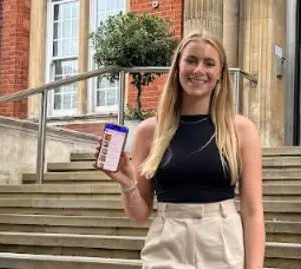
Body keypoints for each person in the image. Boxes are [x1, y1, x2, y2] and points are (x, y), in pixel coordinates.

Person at [93, 31, 265, 269]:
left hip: (222, 241)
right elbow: (140, 215)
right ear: (177, 67)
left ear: (220, 74)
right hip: (167, 241)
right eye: (191, 60)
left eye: (209, 63)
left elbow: (253, 212)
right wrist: (126, 183)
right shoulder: (149, 131)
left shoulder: (241, 130)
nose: (198, 70)